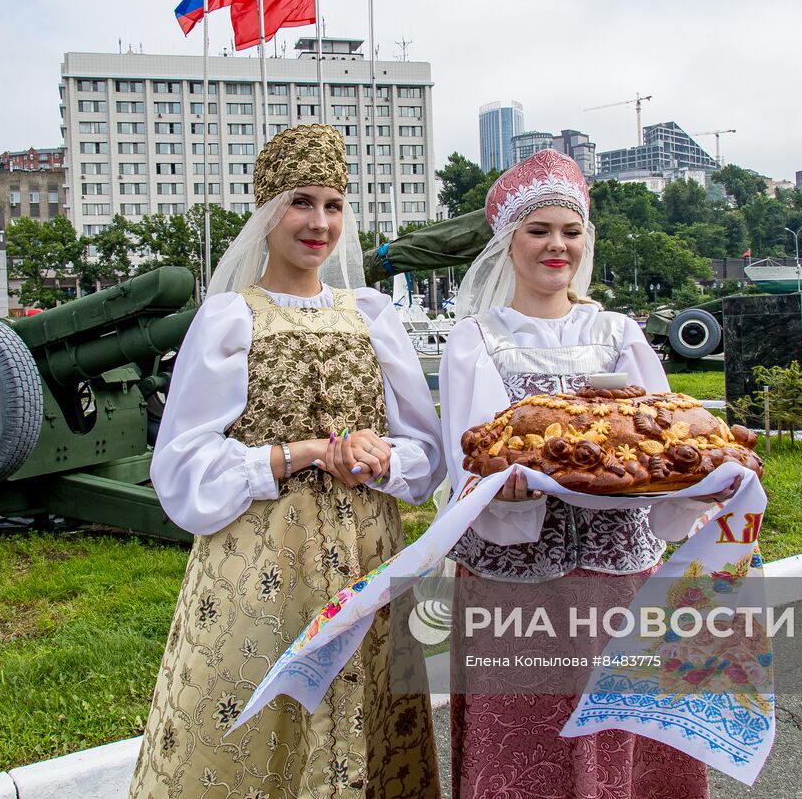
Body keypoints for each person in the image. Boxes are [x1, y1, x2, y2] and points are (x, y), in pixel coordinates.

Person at [129, 124, 443, 799]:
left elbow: (427, 450)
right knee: (259, 728)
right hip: (264, 566)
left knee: (368, 725)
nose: (319, 222)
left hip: (368, 556)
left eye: (333, 205)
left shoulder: (374, 318)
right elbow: (182, 465)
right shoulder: (230, 320)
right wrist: (295, 454)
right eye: (302, 202)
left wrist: (379, 455)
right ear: (269, 210)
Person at [438, 149, 734, 799]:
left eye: (570, 232)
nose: (557, 246)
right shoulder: (476, 339)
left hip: (620, 575)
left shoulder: (618, 333)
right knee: (528, 740)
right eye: (538, 230)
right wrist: (505, 494)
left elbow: (666, 437)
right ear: (507, 240)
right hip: (515, 579)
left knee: (623, 737)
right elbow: (475, 451)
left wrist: (694, 481)